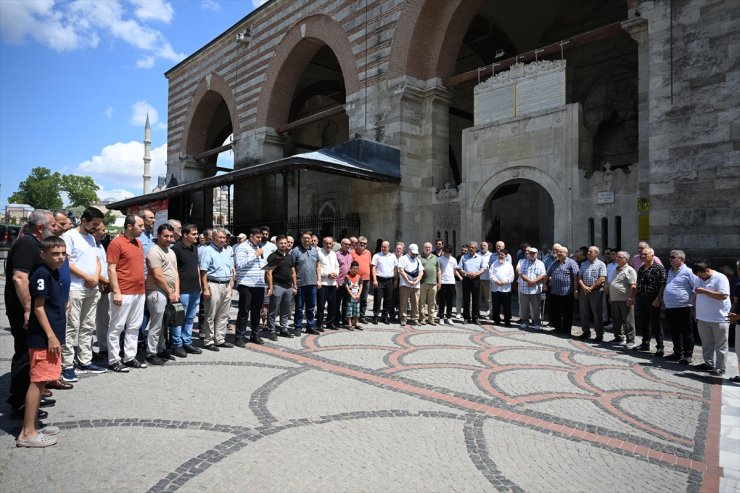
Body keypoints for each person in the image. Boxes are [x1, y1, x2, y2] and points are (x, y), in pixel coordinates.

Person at [5, 209, 58, 419]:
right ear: (40, 227)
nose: (56, 229)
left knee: (31, 355)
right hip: (23, 311)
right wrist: (28, 309)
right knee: (24, 355)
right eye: (53, 225)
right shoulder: (27, 244)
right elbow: (19, 278)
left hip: (32, 310)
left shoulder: (35, 243)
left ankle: (31, 396)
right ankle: (18, 403)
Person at [16, 236, 67, 448]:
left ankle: (34, 425)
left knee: (44, 379)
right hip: (43, 339)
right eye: (55, 254)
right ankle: (27, 433)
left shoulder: (53, 272)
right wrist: (51, 336)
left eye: (63, 253)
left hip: (51, 336)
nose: (60, 257)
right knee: (37, 383)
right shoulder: (41, 274)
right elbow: (38, 307)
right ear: (43, 254)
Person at [61, 206, 107, 382]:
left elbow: (96, 259)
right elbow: (67, 261)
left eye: (98, 224)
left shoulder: (91, 238)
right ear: (84, 221)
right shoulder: (70, 236)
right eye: (94, 224)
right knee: (71, 327)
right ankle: (67, 365)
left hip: (91, 288)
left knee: (88, 326)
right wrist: (86, 276)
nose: (96, 227)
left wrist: (95, 277)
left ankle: (85, 360)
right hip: (75, 288)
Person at [106, 214, 147, 372]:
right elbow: (111, 269)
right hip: (123, 291)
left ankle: (129, 357)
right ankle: (114, 360)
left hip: (139, 291)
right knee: (117, 327)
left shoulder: (138, 243)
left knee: (134, 326)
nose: (143, 229)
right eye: (140, 225)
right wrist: (116, 291)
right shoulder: (116, 243)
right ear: (129, 226)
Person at [144, 224, 180, 366]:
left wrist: (176, 291)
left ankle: (161, 348)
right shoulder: (154, 251)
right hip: (157, 291)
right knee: (156, 323)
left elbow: (176, 273)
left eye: (171, 236)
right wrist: (170, 291)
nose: (169, 239)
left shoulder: (171, 252)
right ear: (158, 236)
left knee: (165, 323)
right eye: (165, 236)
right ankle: (151, 352)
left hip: (170, 292)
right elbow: (157, 275)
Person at [692, 261, 731, 376]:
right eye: (698, 276)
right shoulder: (698, 279)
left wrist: (705, 291)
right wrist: (695, 310)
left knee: (721, 344)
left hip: (719, 317)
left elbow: (723, 296)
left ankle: (720, 367)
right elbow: (695, 294)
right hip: (703, 317)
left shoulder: (720, 278)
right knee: (706, 342)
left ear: (707, 270)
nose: (699, 278)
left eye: (701, 275)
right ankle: (707, 363)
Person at [169, 223, 203, 357]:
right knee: (178, 319)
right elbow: (173, 270)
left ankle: (186, 342)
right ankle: (176, 344)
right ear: (185, 235)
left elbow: (197, 268)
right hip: (182, 290)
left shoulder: (195, 248)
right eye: (194, 234)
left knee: (190, 318)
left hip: (194, 289)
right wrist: (175, 291)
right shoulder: (176, 249)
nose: (197, 236)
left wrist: (200, 286)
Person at [199, 228, 235, 351]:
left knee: (223, 314)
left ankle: (220, 339)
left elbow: (230, 270)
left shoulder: (226, 252)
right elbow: (203, 271)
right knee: (210, 314)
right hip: (213, 284)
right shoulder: (207, 251)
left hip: (225, 285)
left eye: (224, 238)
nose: (222, 240)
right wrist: (205, 288)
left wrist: (230, 285)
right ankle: (208, 340)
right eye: (220, 237)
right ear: (213, 238)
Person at [234, 228, 268, 345]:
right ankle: (240, 336)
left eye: (261, 238)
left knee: (256, 311)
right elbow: (239, 264)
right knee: (244, 310)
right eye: (257, 237)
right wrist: (255, 255)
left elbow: (259, 264)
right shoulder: (242, 247)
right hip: (246, 283)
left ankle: (255, 334)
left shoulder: (257, 247)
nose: (260, 239)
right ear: (251, 235)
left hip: (259, 283)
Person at [662, 250, 696, 364]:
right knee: (674, 331)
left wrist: (694, 306)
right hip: (670, 306)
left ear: (681, 259)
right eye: (670, 257)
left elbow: (695, 288)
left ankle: (688, 355)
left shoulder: (688, 272)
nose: (670, 259)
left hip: (683, 306)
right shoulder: (670, 271)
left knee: (686, 331)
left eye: (673, 257)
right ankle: (677, 353)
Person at [634, 247, 666, 356]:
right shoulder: (641, 268)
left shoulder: (659, 268)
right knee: (644, 322)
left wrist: (658, 298)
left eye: (645, 254)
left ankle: (660, 347)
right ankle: (645, 343)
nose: (642, 256)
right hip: (642, 297)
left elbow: (662, 284)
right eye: (641, 255)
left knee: (656, 323)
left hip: (653, 298)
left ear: (652, 256)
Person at [265, 235, 297, 338]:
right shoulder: (274, 256)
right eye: (281, 243)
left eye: (285, 243)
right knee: (274, 310)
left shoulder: (289, 256)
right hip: (277, 286)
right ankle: (272, 331)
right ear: (277, 244)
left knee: (285, 310)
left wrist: (295, 286)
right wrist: (270, 287)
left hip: (288, 287)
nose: (283, 245)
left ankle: (284, 329)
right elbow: (269, 273)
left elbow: (293, 272)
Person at [544, 245, 580, 336]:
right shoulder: (555, 262)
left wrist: (575, 290)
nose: (558, 253)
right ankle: (557, 327)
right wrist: (544, 284)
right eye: (558, 252)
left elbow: (576, 277)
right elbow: (547, 274)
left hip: (567, 292)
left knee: (567, 312)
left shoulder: (571, 263)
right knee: (555, 311)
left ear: (566, 253)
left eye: (561, 252)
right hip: (555, 292)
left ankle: (566, 330)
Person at [292, 231, 321, 335]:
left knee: (311, 306)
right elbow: (293, 268)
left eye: (308, 238)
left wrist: (319, 280)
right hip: (300, 283)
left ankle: (310, 326)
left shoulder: (314, 251)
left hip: (312, 283)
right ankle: (298, 327)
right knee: (299, 307)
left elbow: (318, 266)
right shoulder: (295, 251)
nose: (306, 240)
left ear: (311, 239)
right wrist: (294, 284)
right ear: (301, 239)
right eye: (304, 238)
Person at [608, 251, 637, 348]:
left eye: (619, 257)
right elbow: (613, 283)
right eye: (616, 257)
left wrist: (630, 298)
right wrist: (610, 296)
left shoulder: (630, 270)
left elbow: (633, 286)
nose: (617, 258)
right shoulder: (616, 269)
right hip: (615, 299)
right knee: (616, 320)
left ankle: (631, 340)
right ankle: (618, 337)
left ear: (626, 259)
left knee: (628, 321)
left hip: (625, 299)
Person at [577, 246, 607, 341]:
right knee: (584, 312)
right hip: (584, 290)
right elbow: (579, 278)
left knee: (597, 312)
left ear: (596, 253)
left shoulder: (601, 264)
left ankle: (599, 334)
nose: (588, 253)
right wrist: (584, 287)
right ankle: (586, 331)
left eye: (591, 252)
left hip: (596, 291)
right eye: (588, 252)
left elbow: (602, 278)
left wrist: (591, 287)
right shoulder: (583, 264)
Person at [516, 246, 546, 330]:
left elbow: (543, 274)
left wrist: (534, 281)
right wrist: (529, 281)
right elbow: (521, 273)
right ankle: (525, 322)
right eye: (530, 253)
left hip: (535, 289)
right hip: (524, 288)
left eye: (534, 253)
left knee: (536, 307)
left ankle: (537, 323)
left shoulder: (540, 263)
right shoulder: (524, 262)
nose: (532, 254)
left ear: (537, 254)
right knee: (524, 307)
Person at [94, 222, 112, 359]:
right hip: (95, 285)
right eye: (102, 229)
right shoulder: (90, 246)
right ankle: (87, 352)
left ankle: (103, 347)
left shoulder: (100, 245)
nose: (105, 232)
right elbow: (92, 269)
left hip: (105, 286)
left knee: (104, 318)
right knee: (88, 321)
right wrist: (105, 281)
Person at [458, 241, 486, 324]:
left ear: (476, 248)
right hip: (466, 279)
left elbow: (483, 269)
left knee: (476, 299)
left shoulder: (480, 257)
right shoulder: (464, 257)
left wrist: (477, 274)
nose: (471, 249)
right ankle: (466, 318)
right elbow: (459, 269)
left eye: (473, 247)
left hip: (476, 279)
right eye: (470, 247)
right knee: (466, 299)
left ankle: (475, 317)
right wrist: (467, 274)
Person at [371, 240, 397, 324]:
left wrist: (396, 280)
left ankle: (384, 316)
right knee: (377, 299)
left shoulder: (393, 256)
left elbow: (395, 269)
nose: (383, 248)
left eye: (385, 247)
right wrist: (374, 280)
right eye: (382, 246)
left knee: (388, 299)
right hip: (379, 280)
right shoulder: (376, 256)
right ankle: (375, 316)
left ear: (389, 247)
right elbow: (373, 268)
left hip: (390, 280)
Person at [397, 243, 423, 325]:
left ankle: (415, 318)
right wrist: (408, 281)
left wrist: (417, 280)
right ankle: (403, 318)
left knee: (415, 301)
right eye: (413, 253)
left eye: (416, 253)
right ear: (409, 251)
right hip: (405, 284)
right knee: (404, 301)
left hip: (416, 284)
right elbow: (401, 270)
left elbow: (421, 271)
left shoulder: (418, 259)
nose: (414, 254)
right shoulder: (403, 258)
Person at [317, 236, 339, 330]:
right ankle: (320, 324)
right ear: (323, 243)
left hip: (333, 283)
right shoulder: (319, 253)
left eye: (330, 243)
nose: (328, 245)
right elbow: (317, 268)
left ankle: (330, 323)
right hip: (323, 283)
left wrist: (335, 274)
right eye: (327, 243)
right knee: (321, 305)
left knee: (332, 305)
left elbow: (337, 266)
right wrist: (327, 274)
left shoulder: (334, 253)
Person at [489, 248, 515, 326]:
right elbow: (491, 274)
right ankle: (496, 320)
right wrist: (496, 281)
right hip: (495, 288)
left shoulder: (509, 265)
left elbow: (512, 276)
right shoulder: (494, 264)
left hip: (505, 289)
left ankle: (507, 321)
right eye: (499, 254)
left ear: (506, 256)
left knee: (506, 306)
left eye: (502, 255)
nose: (500, 256)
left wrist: (505, 281)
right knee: (496, 306)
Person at [418, 242, 441, 325]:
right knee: (422, 302)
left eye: (429, 247)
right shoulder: (419, 257)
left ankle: (431, 318)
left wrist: (439, 282)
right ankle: (422, 318)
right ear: (423, 248)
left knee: (432, 302)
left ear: (431, 249)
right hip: (422, 283)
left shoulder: (435, 258)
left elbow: (438, 270)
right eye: (426, 247)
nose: (428, 249)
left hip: (433, 283)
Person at [351, 236, 372, 323]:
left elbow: (370, 265)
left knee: (364, 298)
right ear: (357, 243)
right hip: (355, 280)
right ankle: (353, 316)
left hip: (366, 279)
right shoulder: (352, 252)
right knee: (355, 298)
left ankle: (361, 316)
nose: (362, 245)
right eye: (361, 243)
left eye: (364, 243)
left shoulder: (368, 253)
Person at [437, 246, 460, 324]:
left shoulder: (453, 259)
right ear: (444, 252)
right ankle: (441, 317)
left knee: (450, 301)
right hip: (443, 282)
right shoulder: (439, 259)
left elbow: (454, 270)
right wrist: (439, 281)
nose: (448, 254)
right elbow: (438, 270)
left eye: (449, 253)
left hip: (451, 282)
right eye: (446, 253)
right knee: (442, 300)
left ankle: (449, 317)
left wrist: (455, 277)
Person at [335, 238, 354, 327]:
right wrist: (335, 282)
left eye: (349, 244)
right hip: (339, 282)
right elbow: (334, 268)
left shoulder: (350, 255)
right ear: (341, 244)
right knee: (337, 303)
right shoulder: (337, 254)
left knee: (346, 303)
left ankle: (344, 320)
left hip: (348, 283)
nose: (348, 246)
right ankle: (337, 320)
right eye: (346, 244)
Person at [344, 261, 363, 330]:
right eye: (354, 268)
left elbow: (361, 286)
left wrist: (358, 294)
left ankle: (356, 323)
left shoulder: (359, 277)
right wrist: (352, 295)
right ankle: (349, 323)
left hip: (357, 297)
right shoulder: (347, 277)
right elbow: (346, 286)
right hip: (350, 297)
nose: (355, 270)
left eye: (357, 269)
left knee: (357, 310)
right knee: (349, 310)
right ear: (351, 268)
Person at [478, 242, 493, 319]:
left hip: (487, 279)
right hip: (478, 278)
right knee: (478, 296)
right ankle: (477, 312)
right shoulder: (477, 254)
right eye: (481, 245)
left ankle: (489, 311)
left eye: (484, 245)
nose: (482, 246)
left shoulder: (491, 255)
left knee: (488, 297)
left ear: (488, 247)